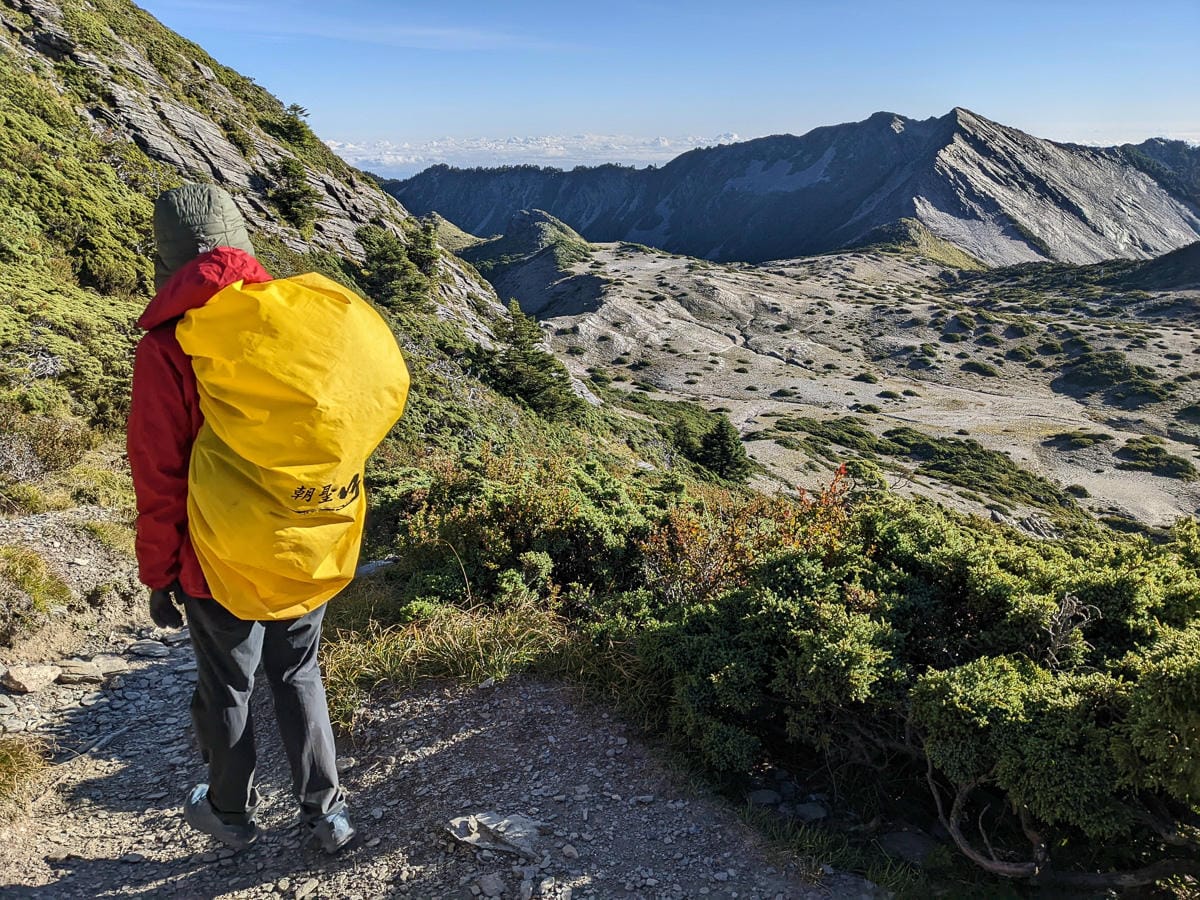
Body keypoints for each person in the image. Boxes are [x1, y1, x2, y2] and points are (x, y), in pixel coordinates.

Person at [127, 183, 368, 853]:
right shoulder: (290, 323)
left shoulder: (170, 346)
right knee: (297, 672)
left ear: (166, 257)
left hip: (217, 552)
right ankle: (327, 815)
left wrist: (159, 572)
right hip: (303, 536)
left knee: (228, 680)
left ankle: (229, 813)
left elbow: (160, 474)